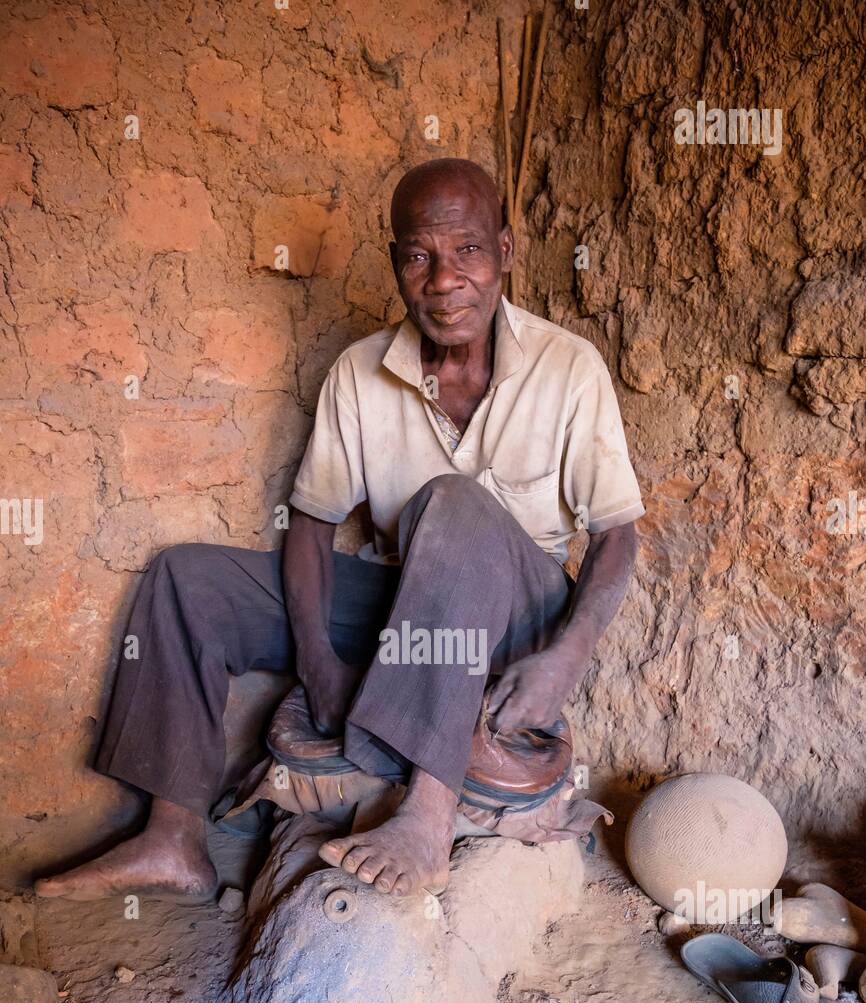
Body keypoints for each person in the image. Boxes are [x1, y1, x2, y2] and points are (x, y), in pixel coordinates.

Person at [36, 158, 643, 903]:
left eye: (469, 251)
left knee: (449, 502)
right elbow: (313, 525)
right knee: (189, 579)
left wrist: (565, 659)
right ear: (396, 264)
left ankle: (427, 812)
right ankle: (173, 837)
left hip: (519, 614)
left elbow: (618, 534)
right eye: (420, 255)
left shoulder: (568, 368)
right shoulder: (360, 372)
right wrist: (319, 660)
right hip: (410, 605)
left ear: (506, 252)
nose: (445, 279)